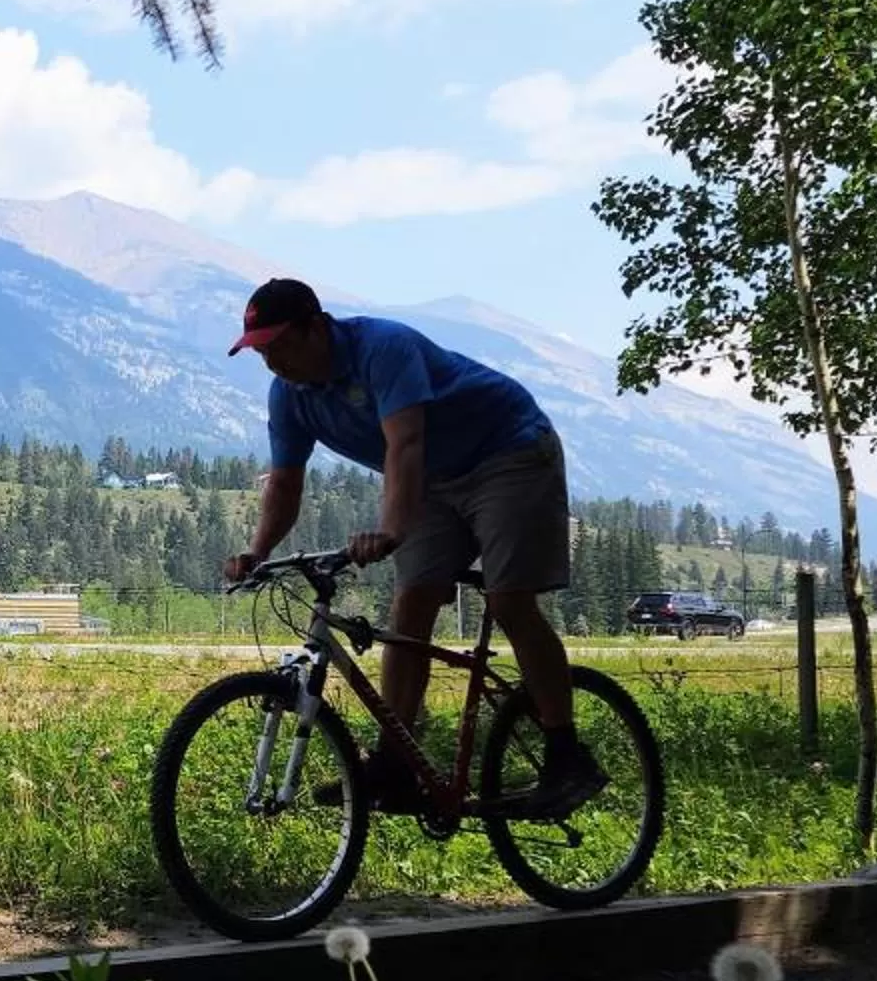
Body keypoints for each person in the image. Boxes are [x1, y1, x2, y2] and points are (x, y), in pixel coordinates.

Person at [218, 277, 603, 816]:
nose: (271, 361)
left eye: (279, 345)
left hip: (508, 452)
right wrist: (256, 553)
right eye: (261, 350)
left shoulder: (383, 348)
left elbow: (406, 443)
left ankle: (567, 755)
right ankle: (396, 768)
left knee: (508, 600)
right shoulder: (290, 395)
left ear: (316, 326)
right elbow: (284, 483)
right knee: (408, 611)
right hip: (435, 480)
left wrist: (391, 529)